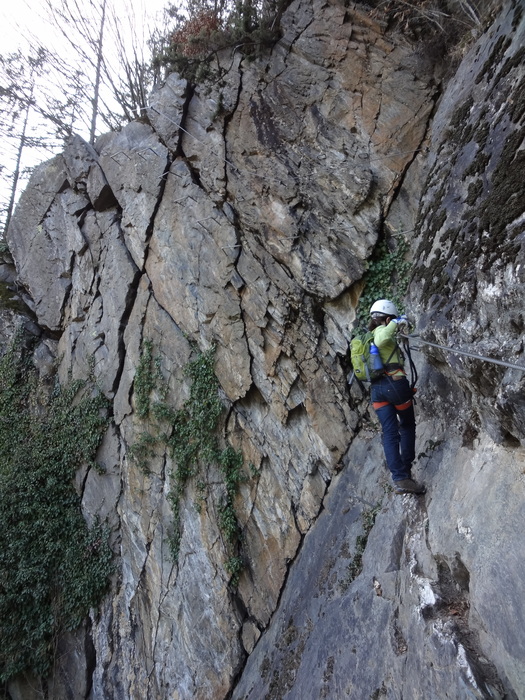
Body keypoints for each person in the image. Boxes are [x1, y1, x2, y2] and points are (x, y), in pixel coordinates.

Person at [368, 299, 425, 495]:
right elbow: (383, 339)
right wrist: (396, 322)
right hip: (395, 385)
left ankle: (400, 478)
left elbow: (383, 340)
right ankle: (405, 472)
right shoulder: (381, 333)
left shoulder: (368, 336)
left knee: (390, 433)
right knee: (407, 424)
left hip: (378, 391)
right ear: (387, 317)